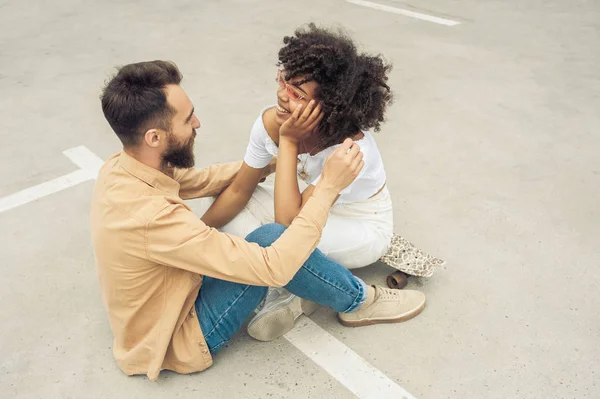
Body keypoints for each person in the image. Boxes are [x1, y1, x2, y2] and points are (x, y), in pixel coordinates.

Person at [91, 60, 426, 381]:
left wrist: (268, 164)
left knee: (242, 216)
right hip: (177, 339)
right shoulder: (155, 219)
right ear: (154, 137)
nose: (198, 124)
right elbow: (273, 265)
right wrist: (326, 186)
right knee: (272, 239)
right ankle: (361, 301)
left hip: (162, 303)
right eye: (187, 119)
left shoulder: (121, 167)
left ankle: (303, 292)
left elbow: (198, 180)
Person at [216, 24, 435, 340]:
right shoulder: (269, 122)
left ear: (330, 105)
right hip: (307, 210)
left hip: (360, 227)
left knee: (278, 239)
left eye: (297, 93)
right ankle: (303, 284)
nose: (282, 94)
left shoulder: (352, 152)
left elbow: (289, 224)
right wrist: (195, 237)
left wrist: (288, 142)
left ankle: (330, 294)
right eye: (283, 80)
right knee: (224, 204)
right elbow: (239, 189)